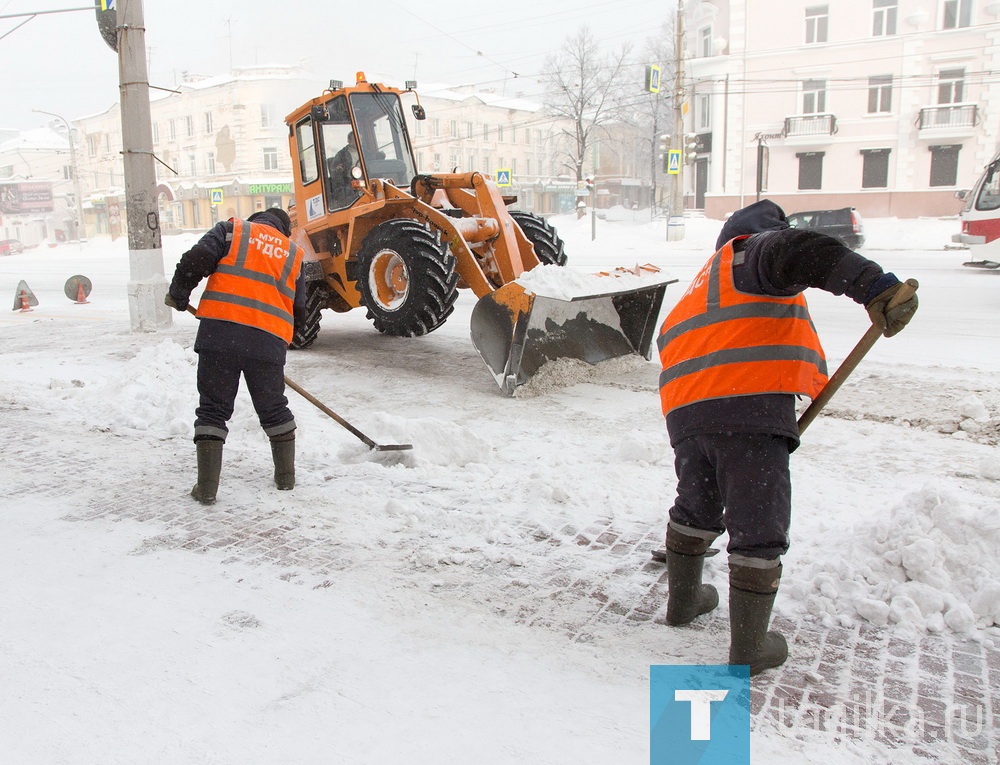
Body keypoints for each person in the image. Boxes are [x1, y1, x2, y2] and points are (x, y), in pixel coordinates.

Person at [656, 199, 917, 675]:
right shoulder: (752, 253)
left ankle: (685, 601)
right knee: (759, 522)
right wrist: (876, 288)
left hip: (687, 418)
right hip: (748, 407)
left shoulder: (701, 288)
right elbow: (800, 249)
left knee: (695, 505)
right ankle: (750, 648)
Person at [164, 208, 304, 505]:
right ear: (283, 230)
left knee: (213, 409)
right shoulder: (293, 253)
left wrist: (179, 293)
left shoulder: (233, 231)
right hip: (268, 342)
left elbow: (196, 259)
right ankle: (285, 480)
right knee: (274, 408)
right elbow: (300, 310)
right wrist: (278, 342)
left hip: (220, 336)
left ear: (257, 220)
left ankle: (206, 489)